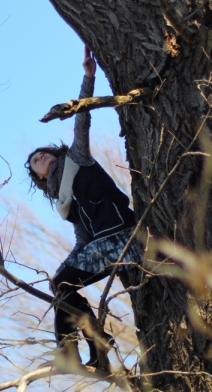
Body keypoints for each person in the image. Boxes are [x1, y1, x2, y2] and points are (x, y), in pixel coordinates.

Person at [26, 46, 141, 368]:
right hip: (104, 244)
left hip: (124, 236)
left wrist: (88, 79)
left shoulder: (77, 159)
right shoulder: (62, 201)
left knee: (62, 283)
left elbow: (83, 118)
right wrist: (65, 267)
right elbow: (82, 238)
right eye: (35, 161)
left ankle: (78, 349)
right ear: (38, 175)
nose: (41, 158)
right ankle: (95, 349)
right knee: (60, 285)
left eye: (43, 153)